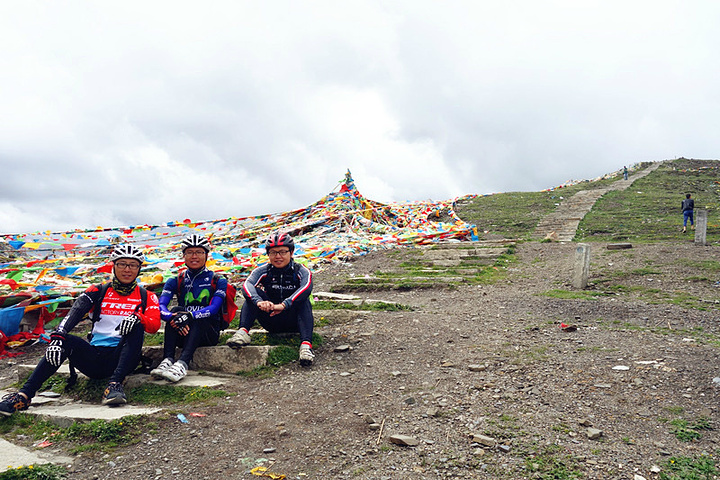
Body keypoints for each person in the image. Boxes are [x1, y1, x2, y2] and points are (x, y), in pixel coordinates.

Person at [0, 245, 160, 415]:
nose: (127, 269)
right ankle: (23, 396)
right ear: (113, 266)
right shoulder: (98, 290)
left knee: (136, 325)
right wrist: (58, 337)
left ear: (139, 268)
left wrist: (138, 317)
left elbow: (154, 326)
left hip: (124, 356)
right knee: (64, 340)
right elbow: (74, 313)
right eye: (122, 264)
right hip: (95, 356)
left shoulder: (147, 296)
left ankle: (114, 385)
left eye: (133, 265)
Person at [227, 232, 315, 366]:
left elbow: (307, 287)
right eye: (273, 252)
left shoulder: (301, 270)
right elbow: (247, 285)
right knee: (253, 294)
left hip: (294, 321)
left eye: (282, 252)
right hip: (271, 319)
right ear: (268, 254)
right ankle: (242, 332)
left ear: (291, 253)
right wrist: (259, 302)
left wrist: (284, 305)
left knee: (304, 300)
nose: (278, 256)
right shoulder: (263, 270)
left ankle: (306, 346)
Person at [150, 234, 229, 382]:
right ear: (184, 256)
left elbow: (213, 308)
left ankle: (182, 363)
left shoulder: (218, 279)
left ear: (206, 255)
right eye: (190, 252)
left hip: (207, 332)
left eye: (199, 252)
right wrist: (172, 317)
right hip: (182, 330)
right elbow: (160, 306)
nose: (194, 256)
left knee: (200, 314)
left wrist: (189, 316)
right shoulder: (175, 280)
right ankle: (167, 360)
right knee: (175, 311)